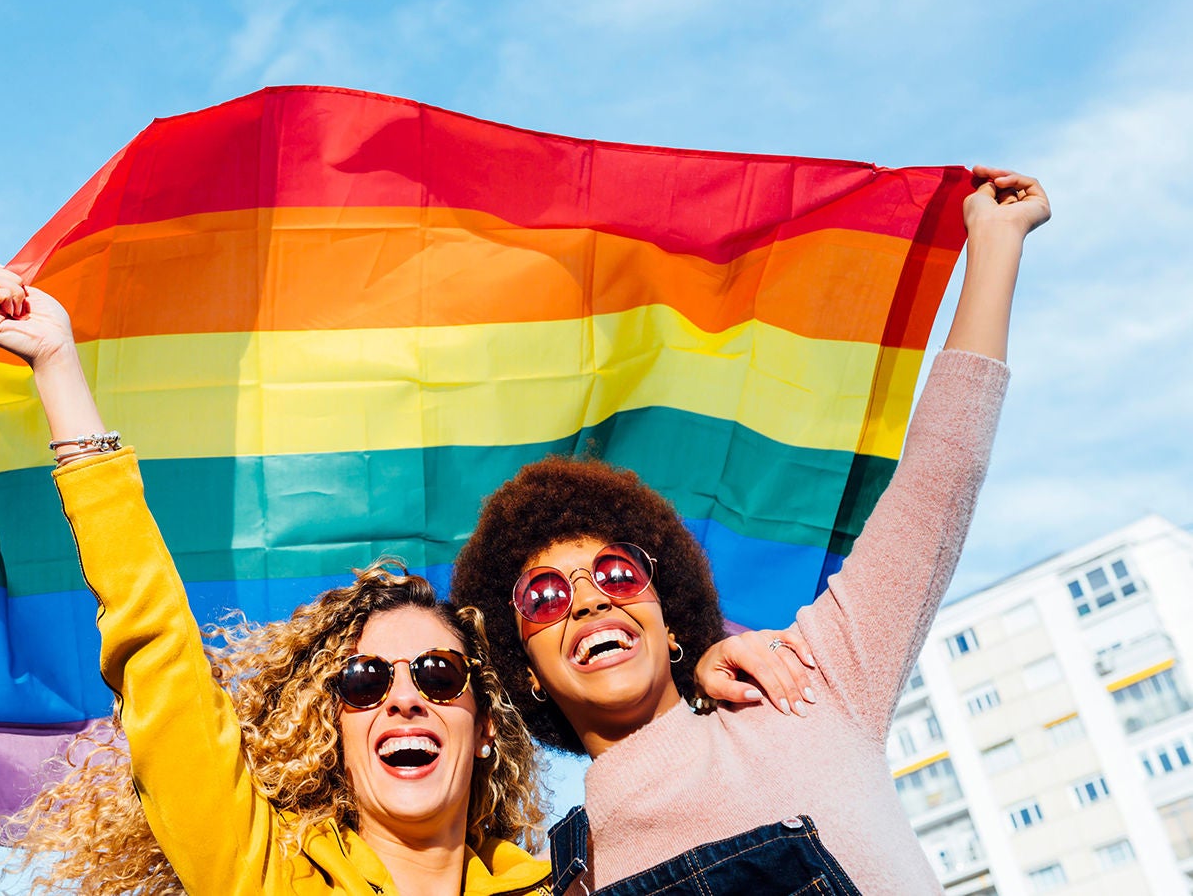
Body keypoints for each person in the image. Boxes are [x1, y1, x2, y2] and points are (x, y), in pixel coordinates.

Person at [0, 261, 817, 895]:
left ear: (484, 727)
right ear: (333, 729)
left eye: (439, 676)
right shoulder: (266, 876)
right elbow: (159, 655)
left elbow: (701, 810)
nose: (403, 698)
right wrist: (57, 370)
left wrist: (696, 676)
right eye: (365, 682)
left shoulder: (573, 882)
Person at [449, 166, 1051, 895]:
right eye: (543, 596)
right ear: (528, 673)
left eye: (616, 574)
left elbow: (939, 477)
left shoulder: (812, 688)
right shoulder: (562, 884)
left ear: (669, 620)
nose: (588, 601)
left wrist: (995, 241)